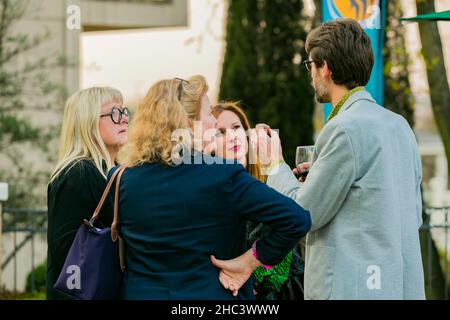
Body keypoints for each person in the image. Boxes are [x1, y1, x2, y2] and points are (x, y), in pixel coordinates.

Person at [251, 18, 425, 299]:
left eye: (311, 65)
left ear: (326, 69)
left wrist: (273, 164)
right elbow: (407, 213)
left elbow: (303, 214)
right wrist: (321, 178)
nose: (311, 75)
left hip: (354, 289)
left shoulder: (343, 128)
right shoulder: (399, 126)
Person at [110, 77, 311, 300]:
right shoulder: (223, 175)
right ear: (187, 123)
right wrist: (249, 261)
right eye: (207, 114)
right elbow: (297, 219)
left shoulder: (120, 179)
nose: (213, 124)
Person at [211, 101, 305, 300]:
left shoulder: (268, 184)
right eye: (220, 132)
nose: (232, 136)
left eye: (236, 128)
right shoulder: (212, 198)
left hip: (292, 290)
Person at [46, 87, 129, 299]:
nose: (124, 119)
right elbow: (67, 253)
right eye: (114, 113)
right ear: (88, 123)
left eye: (124, 111)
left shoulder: (114, 173)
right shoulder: (77, 173)